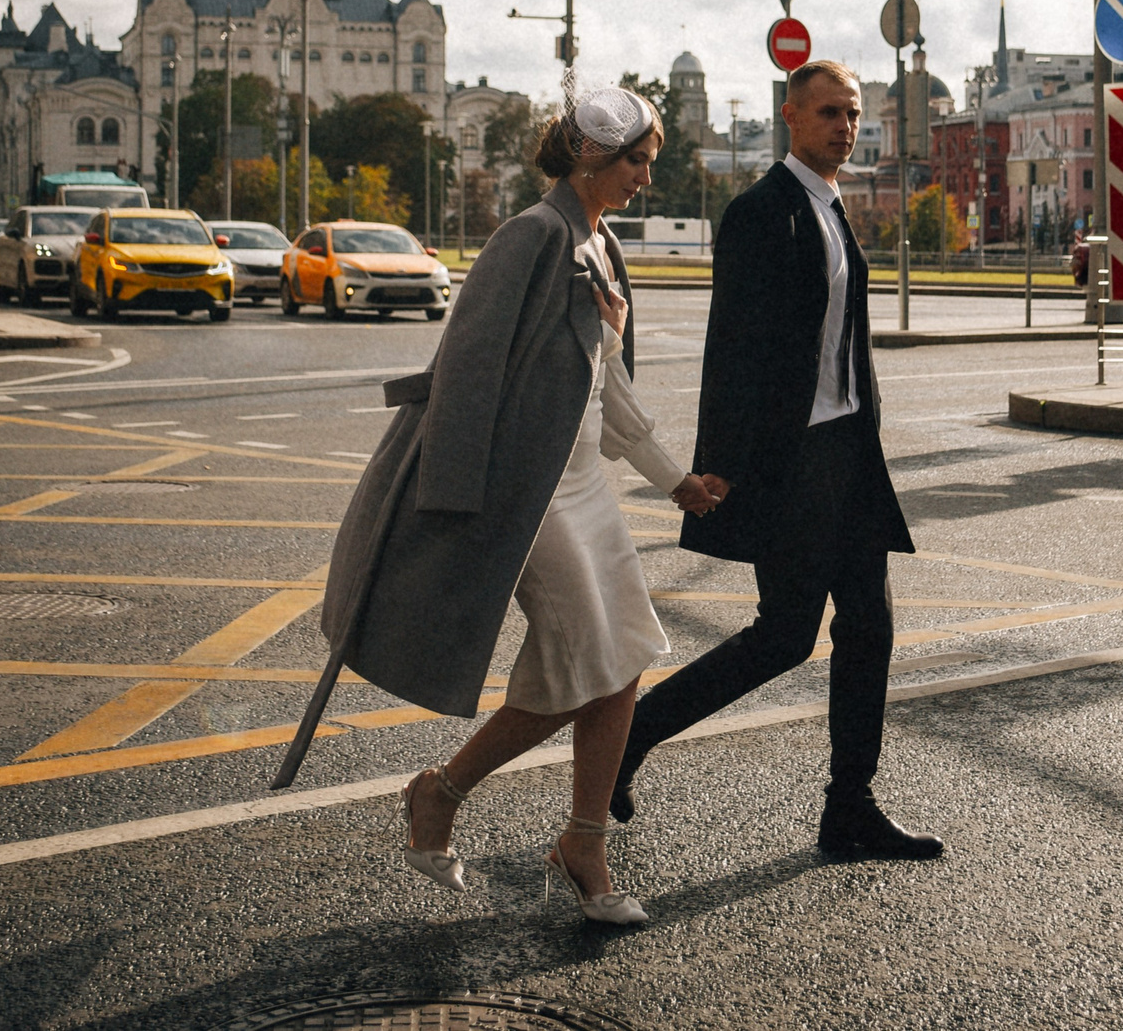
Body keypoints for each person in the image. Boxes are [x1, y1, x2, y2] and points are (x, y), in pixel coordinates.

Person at [278, 86, 722, 924]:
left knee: (620, 661)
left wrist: (676, 480)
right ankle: (446, 794)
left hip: (587, 484)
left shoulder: (604, 245)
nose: (643, 177)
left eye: (649, 162)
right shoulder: (532, 234)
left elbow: (608, 389)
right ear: (590, 153)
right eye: (635, 160)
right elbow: (466, 373)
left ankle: (572, 838)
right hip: (530, 495)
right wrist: (454, 505)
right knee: (589, 657)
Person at [611, 59, 943, 860]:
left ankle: (849, 805)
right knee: (787, 635)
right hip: (796, 462)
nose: (845, 126)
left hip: (849, 451)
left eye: (854, 113)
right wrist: (720, 461)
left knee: (871, 624)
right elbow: (734, 347)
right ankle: (634, 731)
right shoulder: (762, 211)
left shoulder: (833, 206)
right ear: (789, 115)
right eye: (829, 111)